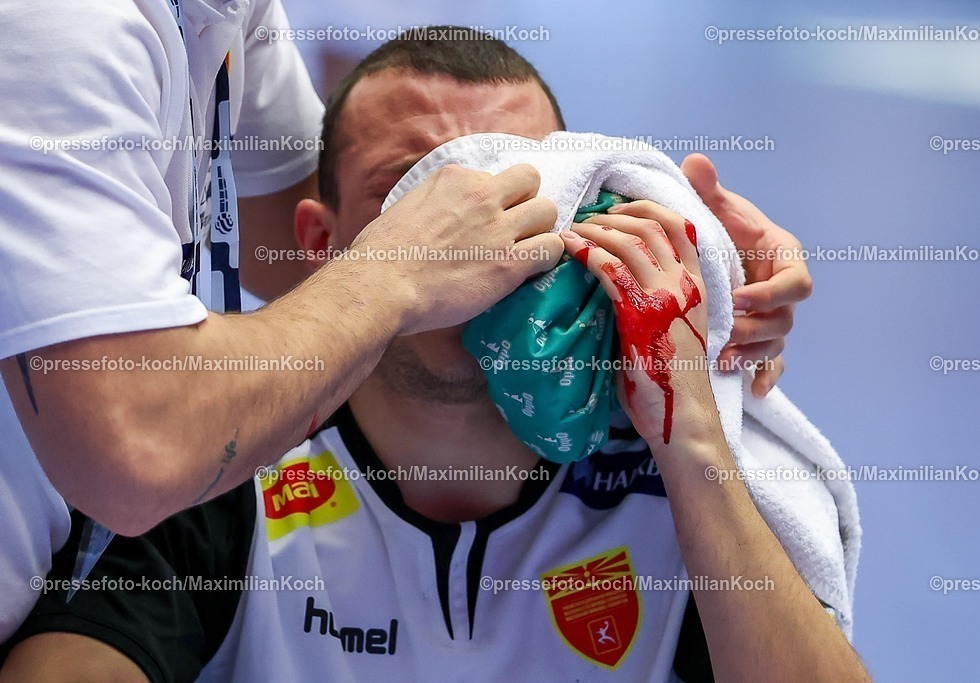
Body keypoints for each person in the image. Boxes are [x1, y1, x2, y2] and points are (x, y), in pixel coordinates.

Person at [0, 33, 866, 682]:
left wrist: (697, 438)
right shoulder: (241, 466)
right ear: (322, 242)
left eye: (526, 184)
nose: (483, 233)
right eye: (415, 190)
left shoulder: (667, 477)